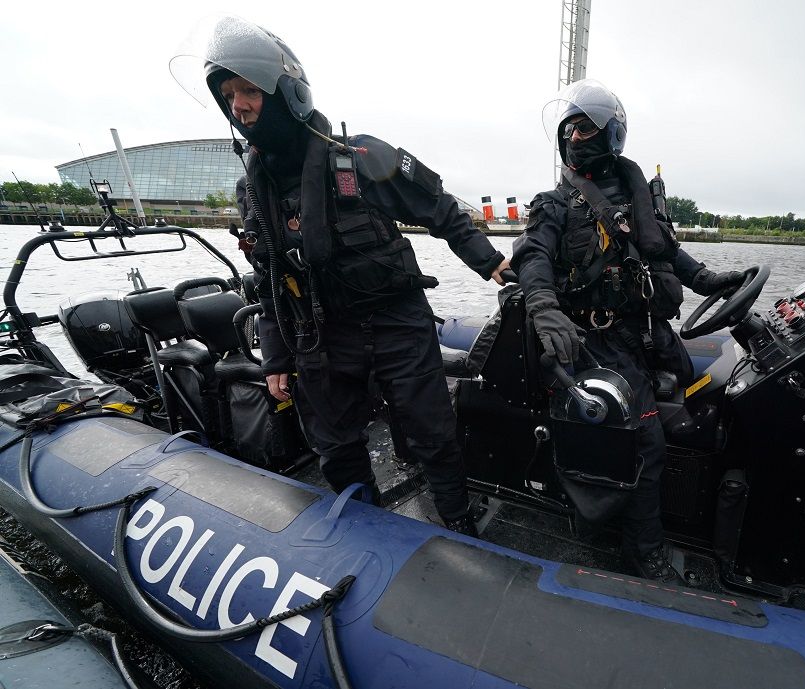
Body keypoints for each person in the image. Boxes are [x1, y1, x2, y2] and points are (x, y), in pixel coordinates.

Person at [171, 16, 508, 536]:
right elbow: (267, 278)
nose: (239, 105)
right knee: (334, 444)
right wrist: (276, 357)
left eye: (250, 90)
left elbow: (443, 212)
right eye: (228, 93)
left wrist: (494, 263)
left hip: (395, 321)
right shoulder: (252, 190)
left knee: (432, 433)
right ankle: (366, 531)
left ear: (286, 92)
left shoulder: (363, 157)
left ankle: (459, 520)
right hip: (320, 332)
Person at [511, 79, 743, 580]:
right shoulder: (554, 204)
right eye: (569, 128)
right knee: (647, 443)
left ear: (612, 135)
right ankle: (645, 554)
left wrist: (704, 278)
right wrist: (544, 307)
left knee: (693, 388)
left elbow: (663, 250)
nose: (576, 136)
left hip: (642, 332)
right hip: (593, 341)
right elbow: (531, 256)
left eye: (587, 127)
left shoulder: (636, 197)